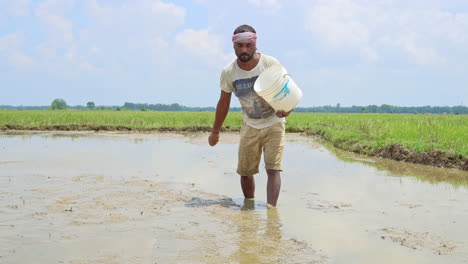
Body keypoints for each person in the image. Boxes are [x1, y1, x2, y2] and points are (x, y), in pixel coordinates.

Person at [208, 24, 292, 207]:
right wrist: (215, 131)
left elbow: (288, 91)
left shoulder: (269, 64)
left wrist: (286, 109)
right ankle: (249, 205)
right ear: (234, 47)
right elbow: (224, 103)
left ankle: (272, 211)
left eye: (248, 45)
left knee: (273, 169)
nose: (244, 49)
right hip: (250, 124)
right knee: (245, 171)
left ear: (255, 44)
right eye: (240, 46)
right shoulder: (229, 72)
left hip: (274, 122)